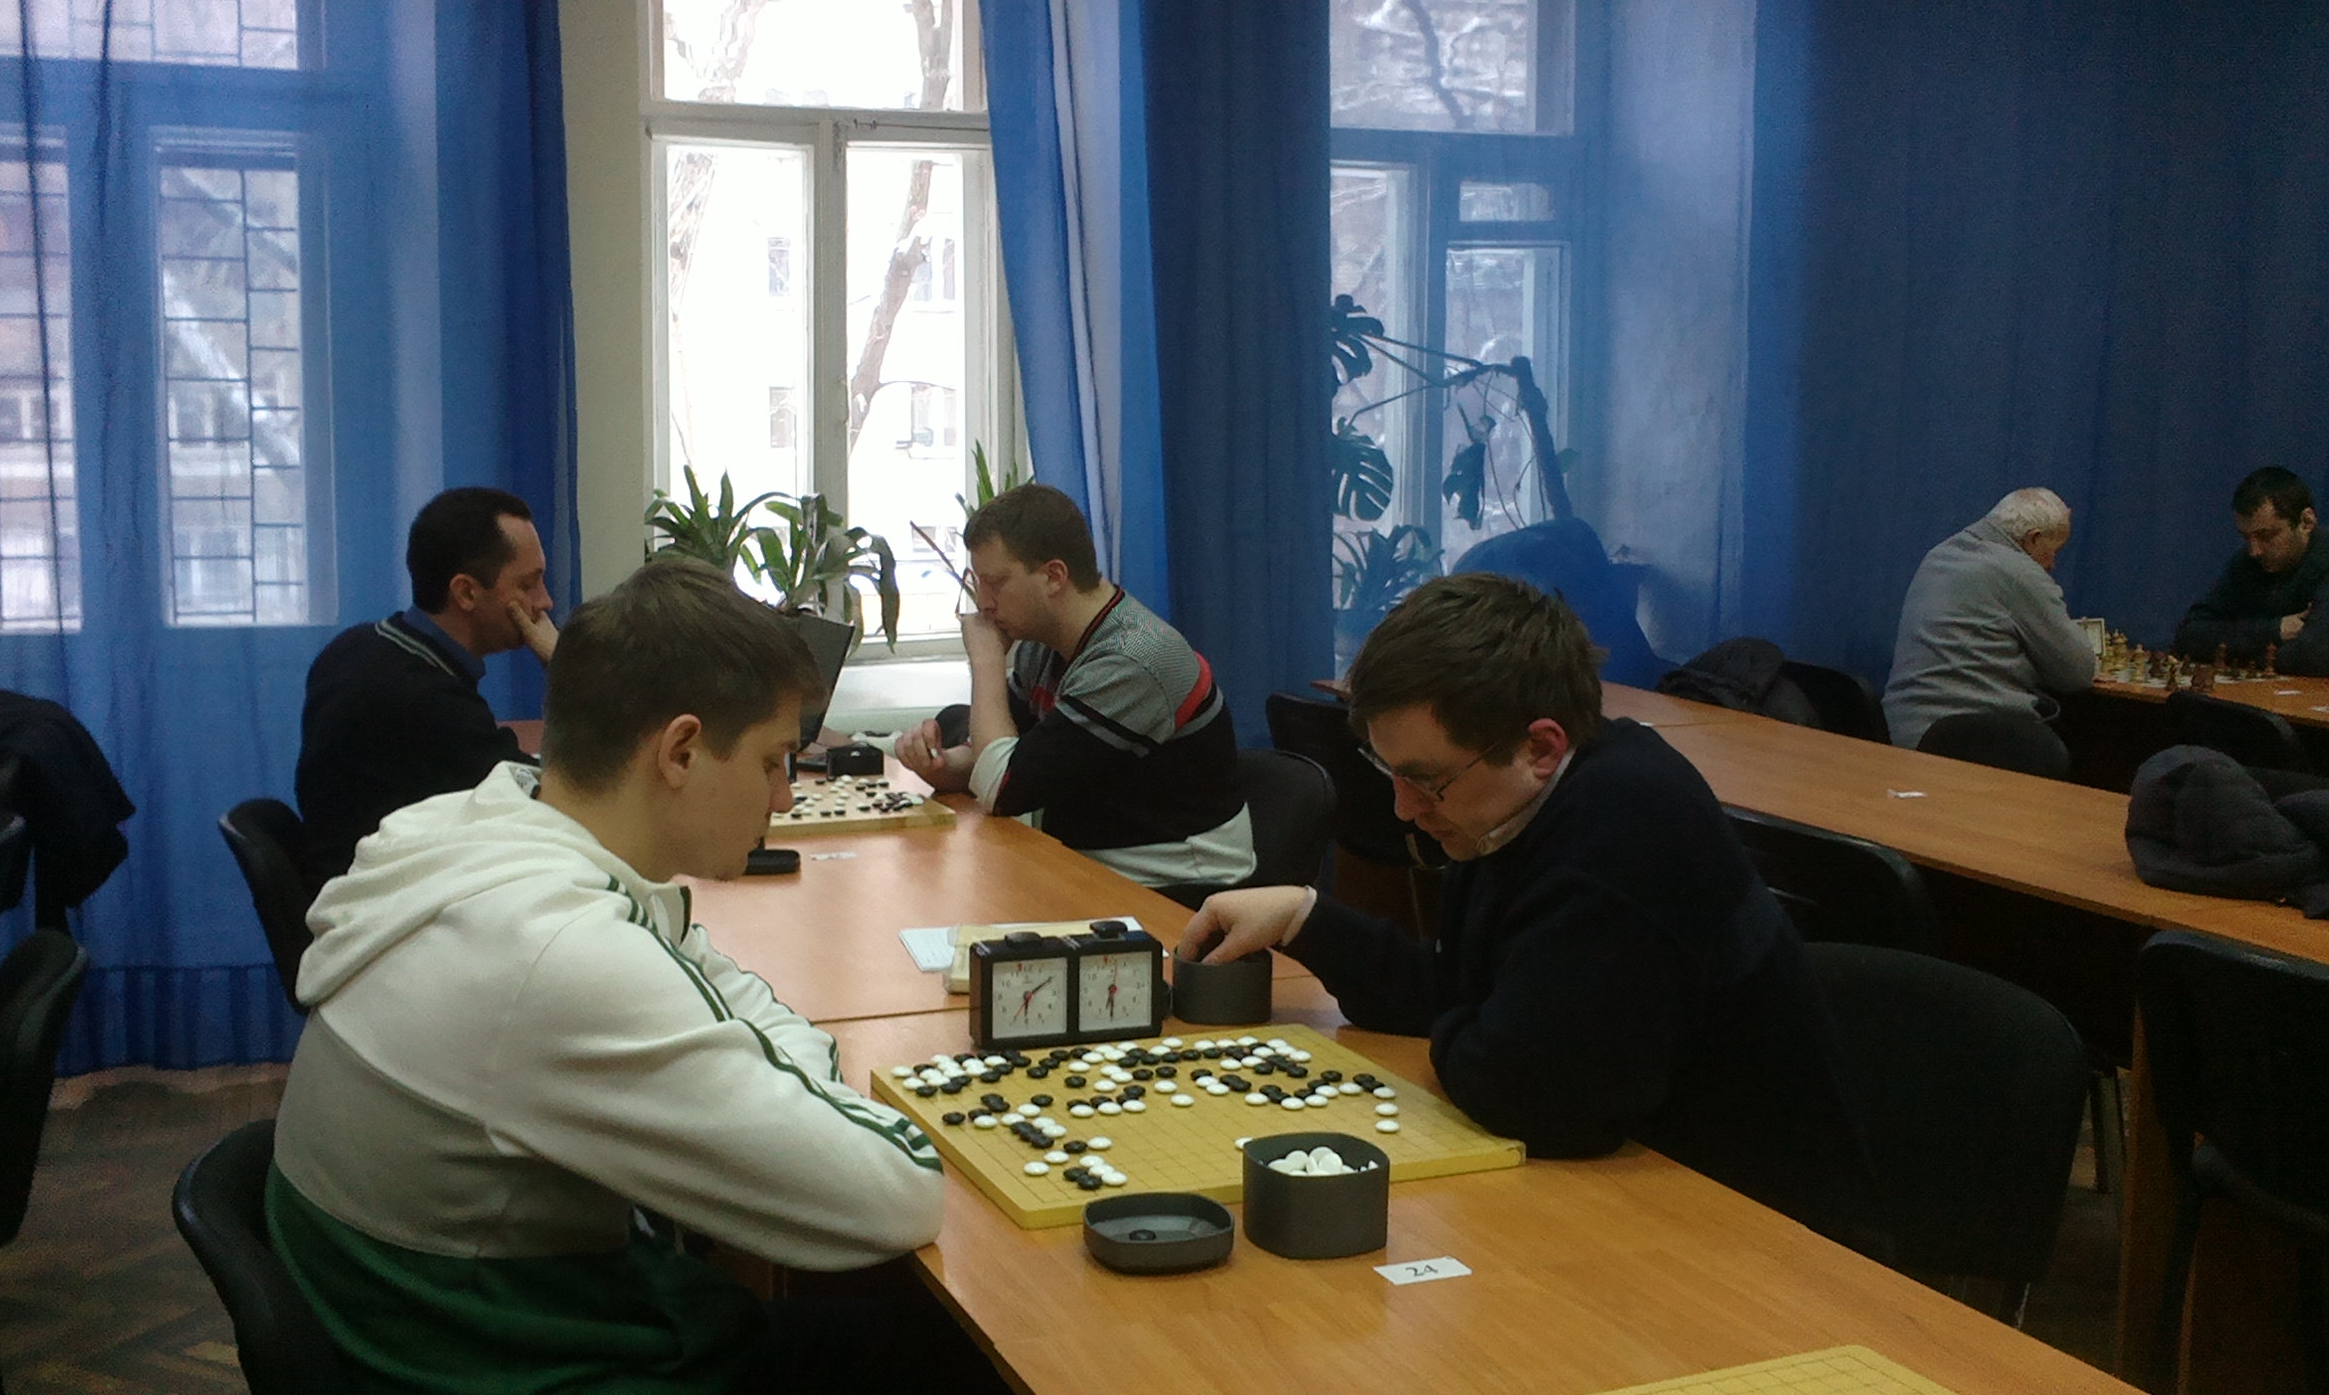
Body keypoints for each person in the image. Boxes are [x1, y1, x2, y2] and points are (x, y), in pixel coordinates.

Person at [267, 558, 1018, 1395]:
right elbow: (897, 1193)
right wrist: (790, 1071)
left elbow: (722, 982)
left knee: (961, 1365)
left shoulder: (485, 824)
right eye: (773, 761)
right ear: (681, 751)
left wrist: (776, 1060)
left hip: (499, 1343)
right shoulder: (556, 952)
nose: (784, 797)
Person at [1175, 575, 1878, 1249]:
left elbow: (1534, 1098)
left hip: (1761, 1234)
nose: (1404, 810)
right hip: (1638, 1185)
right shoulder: (1509, 804)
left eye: (1426, 780)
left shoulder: (1627, 825)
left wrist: (1471, 1022)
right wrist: (1304, 916)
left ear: (1540, 747)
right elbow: (1461, 995)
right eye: (1390, 773)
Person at [892, 485, 1253, 891]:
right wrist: (942, 765)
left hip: (1179, 887)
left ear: (1054, 576)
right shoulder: (1041, 643)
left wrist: (987, 662)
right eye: (977, 583)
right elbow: (998, 753)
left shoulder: (1133, 661)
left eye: (995, 583)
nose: (984, 603)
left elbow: (1004, 787)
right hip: (1092, 865)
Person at [295, 487, 557, 884]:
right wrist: (563, 666)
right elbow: (558, 802)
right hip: (384, 904)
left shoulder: (357, 645)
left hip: (353, 877)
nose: (545, 601)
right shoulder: (425, 701)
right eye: (528, 584)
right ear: (466, 592)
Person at [1881, 488, 2098, 751]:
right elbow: (2077, 672)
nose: (2052, 564)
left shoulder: (1940, 554)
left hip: (1904, 731)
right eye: (2053, 550)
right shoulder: (2019, 572)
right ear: (2033, 538)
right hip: (1971, 739)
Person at [2173, 466, 2329, 678]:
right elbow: (2188, 637)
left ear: (2306, 522)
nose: (2254, 550)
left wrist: (2240, 655)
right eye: (2246, 537)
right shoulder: (2248, 561)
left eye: (2266, 536)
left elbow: (2321, 657)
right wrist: (2276, 630)